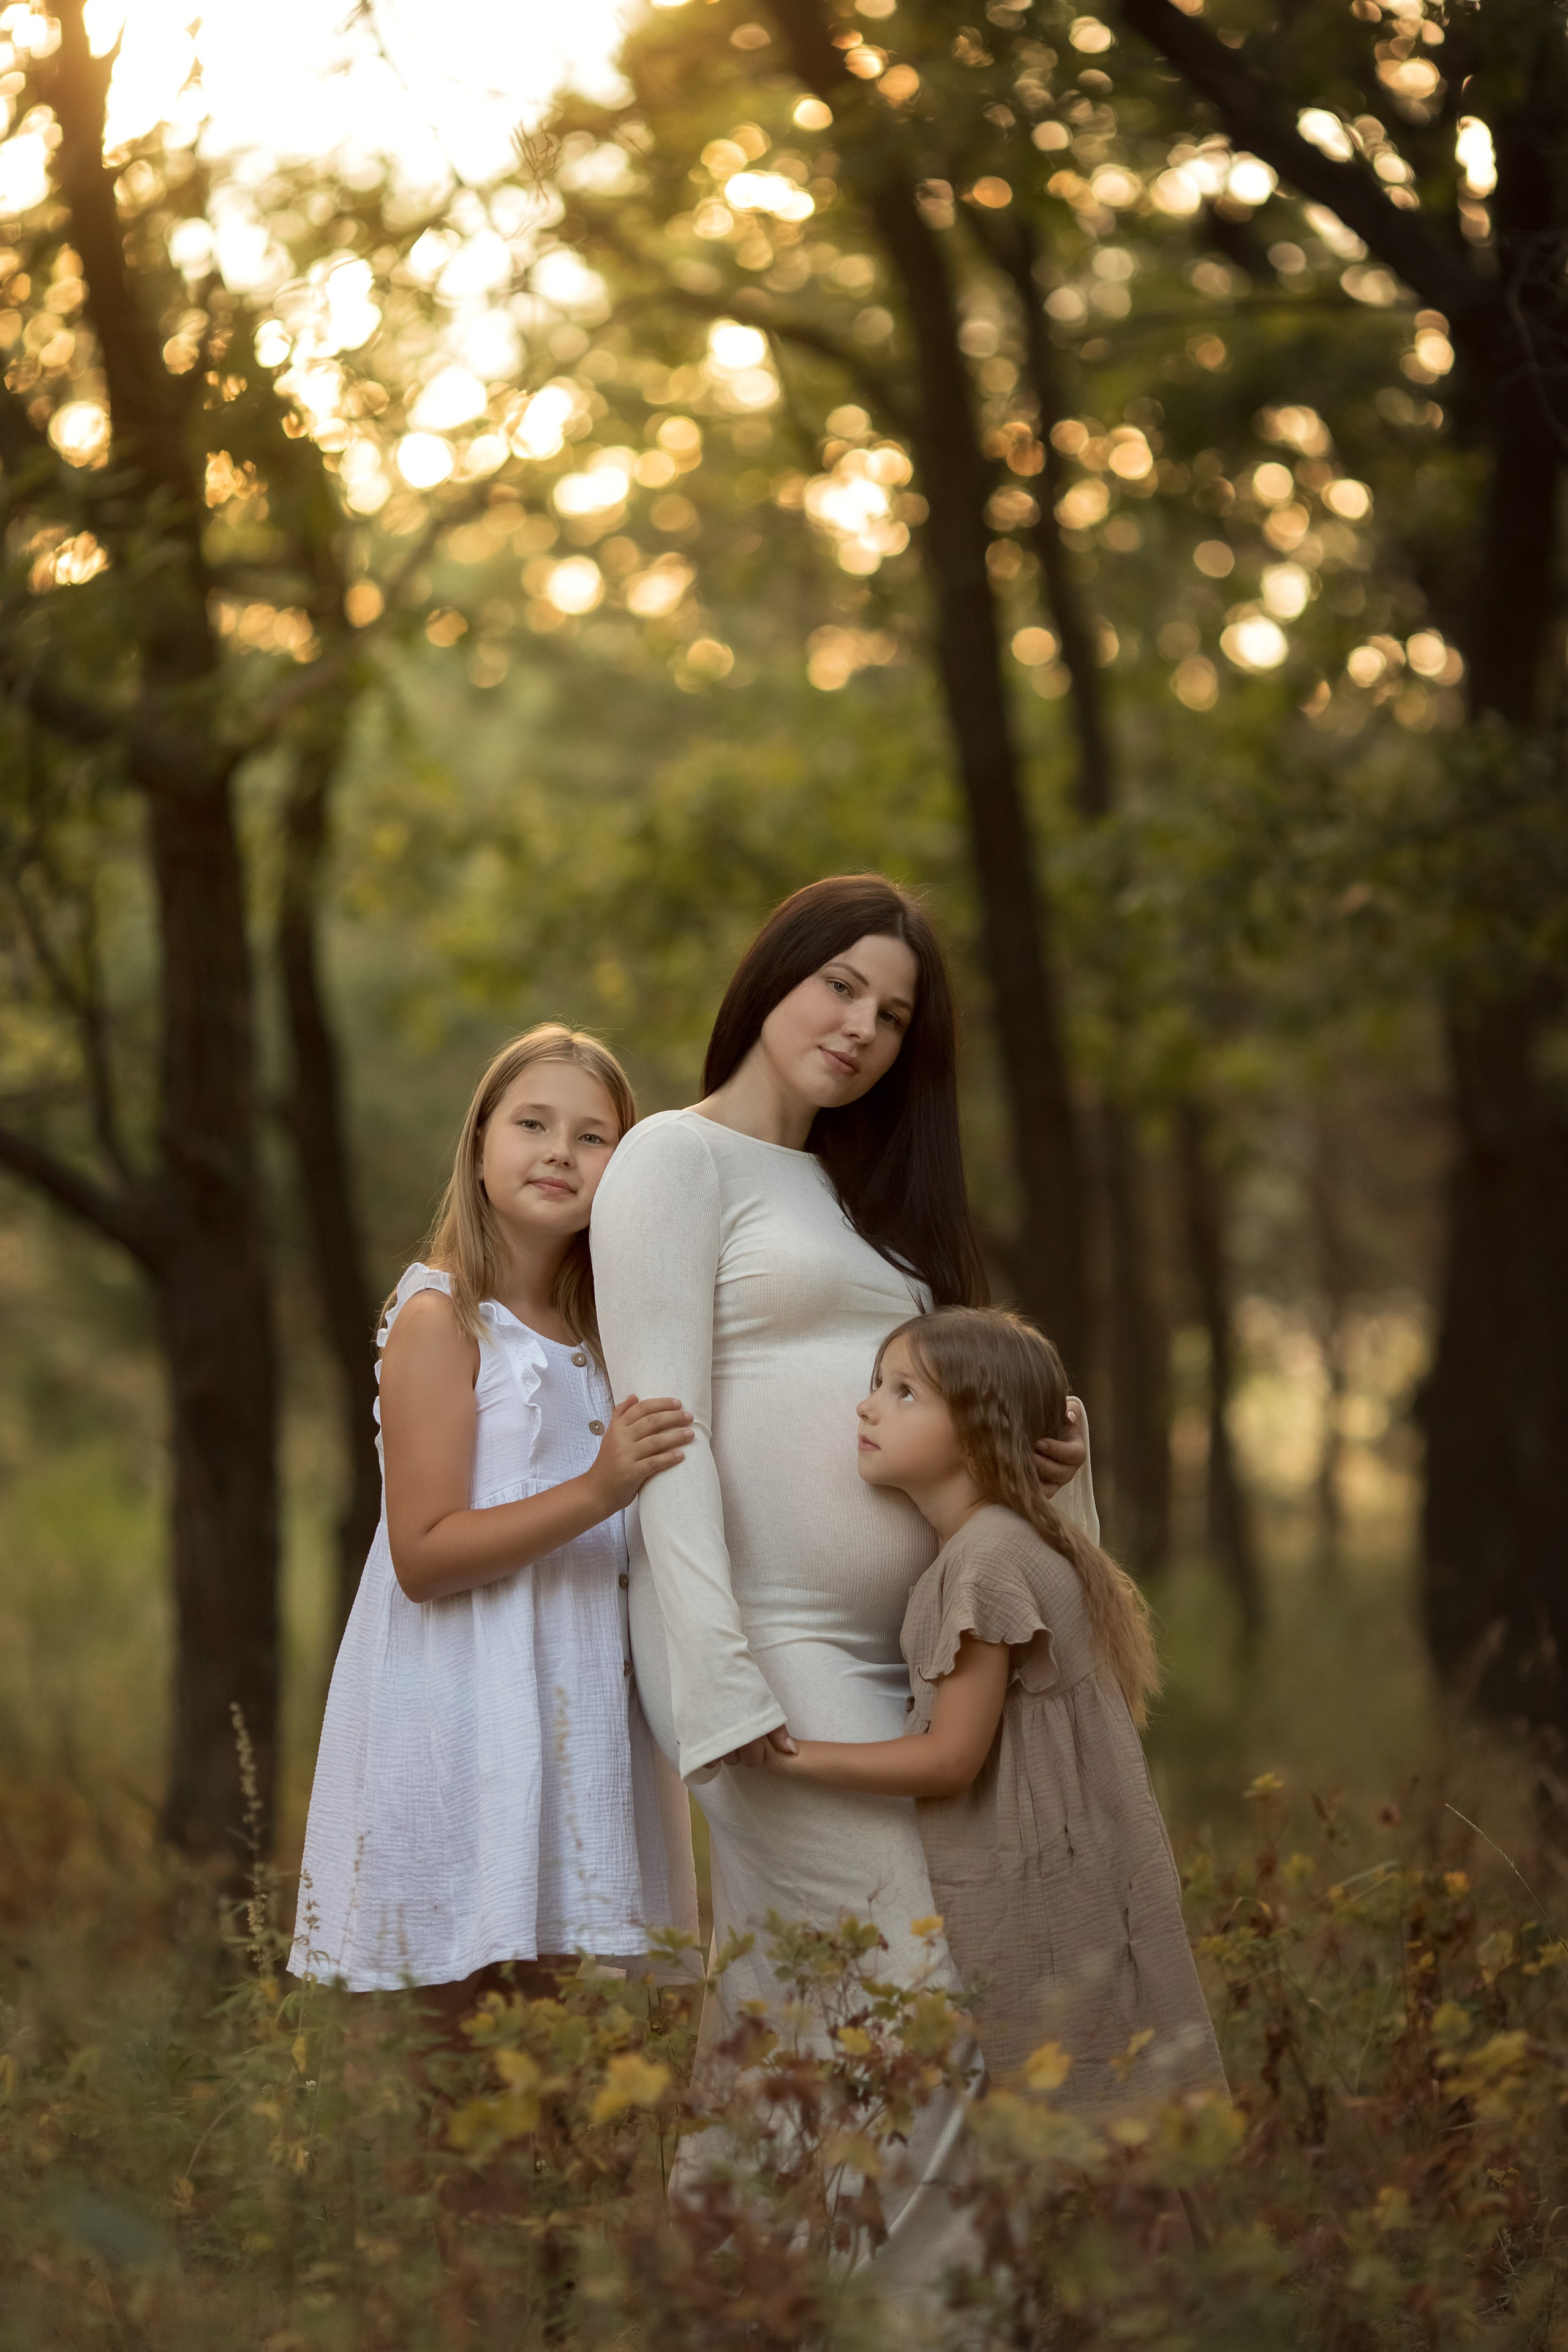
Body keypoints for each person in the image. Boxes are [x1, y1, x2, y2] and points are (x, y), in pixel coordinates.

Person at [589, 875, 1098, 2288]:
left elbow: (963, 1423)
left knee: (783, 2025)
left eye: (892, 1013)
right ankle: (938, 2325)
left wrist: (1056, 1451)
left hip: (912, 1661)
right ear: (773, 977)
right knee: (917, 1985)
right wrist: (721, 1672)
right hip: (771, 1648)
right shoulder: (670, 1162)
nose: (861, 1027)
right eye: (840, 987)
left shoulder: (864, 1197)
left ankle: (715, 2305)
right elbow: (661, 1435)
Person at [290, 1025, 698, 2006]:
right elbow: (424, 1556)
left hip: (582, 1702)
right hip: (471, 1701)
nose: (560, 1150)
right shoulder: (443, 1317)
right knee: (470, 2029)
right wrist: (597, 1492)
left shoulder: (613, 1331)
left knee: (576, 2036)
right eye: (533, 1123)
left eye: (594, 1137)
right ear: (479, 1147)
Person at [760, 1305, 1226, 2113]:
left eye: (905, 1393)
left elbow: (951, 1758)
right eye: (877, 1385)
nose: (867, 1407)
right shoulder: (1008, 1540)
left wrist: (791, 1755)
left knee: (1087, 2126)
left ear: (978, 1428)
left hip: (1041, 1893)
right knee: (1122, 2127)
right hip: (1073, 1871)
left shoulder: (984, 1559)